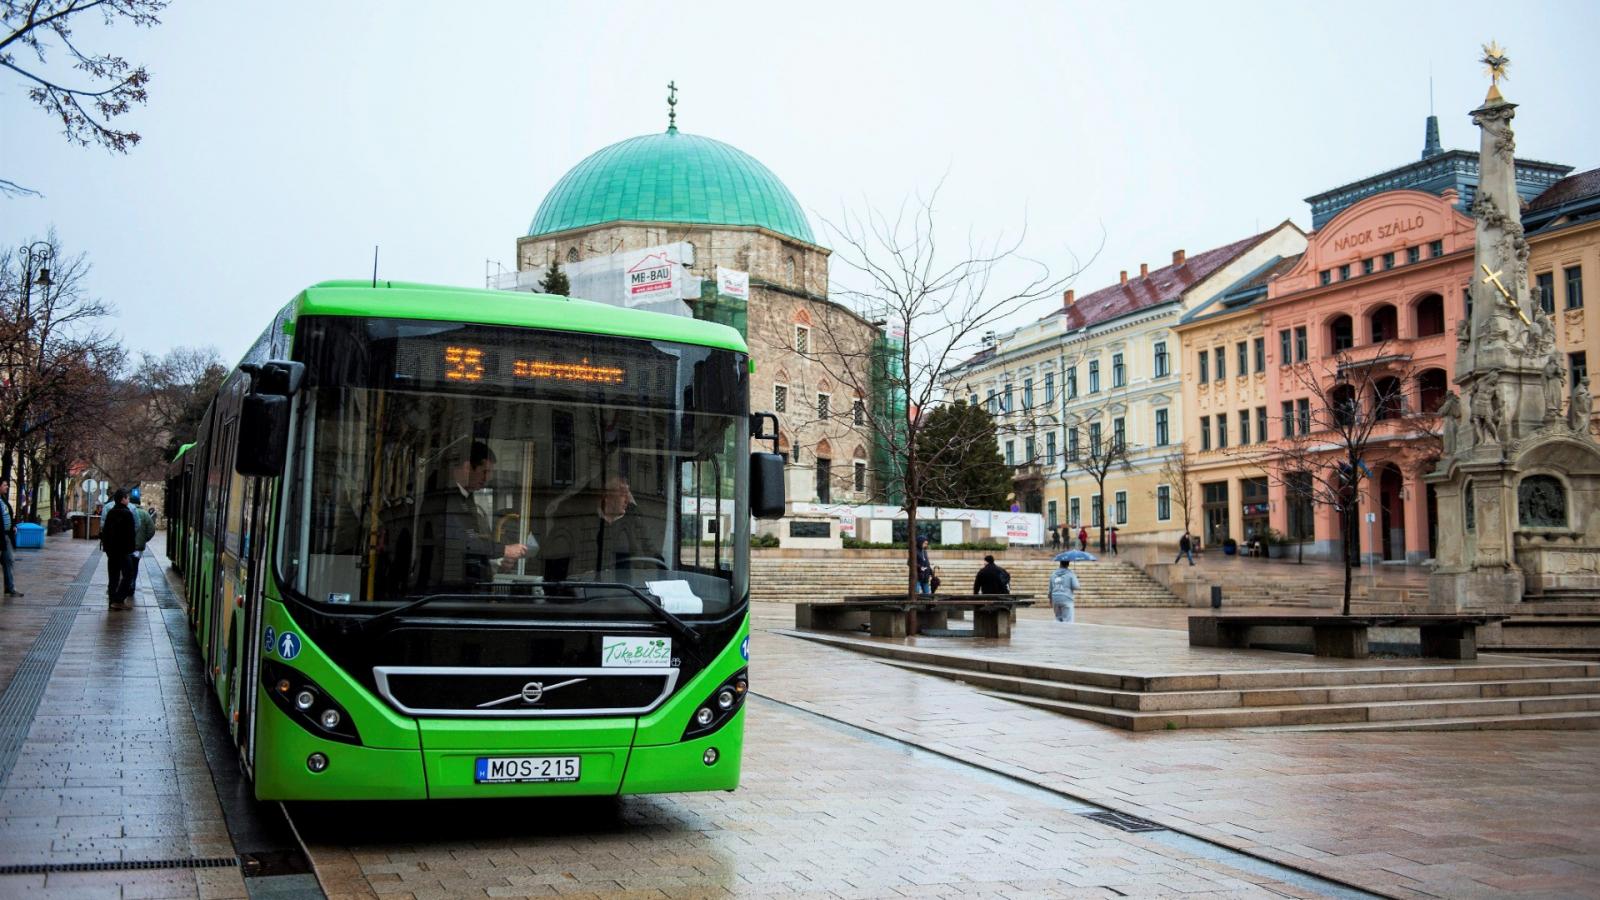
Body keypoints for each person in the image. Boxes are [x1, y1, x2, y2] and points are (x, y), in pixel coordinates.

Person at [418, 442, 528, 590]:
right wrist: (504, 550)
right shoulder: (444, 496)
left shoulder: (465, 497)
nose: (487, 478)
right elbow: (463, 540)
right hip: (446, 591)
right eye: (484, 472)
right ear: (467, 467)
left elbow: (474, 540)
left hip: (463, 587)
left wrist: (497, 561)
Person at [539, 473, 649, 585]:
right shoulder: (574, 526)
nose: (628, 499)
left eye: (628, 493)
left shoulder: (632, 526)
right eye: (622, 493)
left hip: (629, 597)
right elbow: (555, 577)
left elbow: (650, 561)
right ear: (605, 496)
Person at [102, 489, 138, 610]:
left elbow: (105, 532)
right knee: (129, 574)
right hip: (123, 551)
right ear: (123, 499)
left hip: (111, 551)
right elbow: (131, 534)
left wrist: (107, 548)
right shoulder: (127, 514)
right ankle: (119, 599)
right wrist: (131, 549)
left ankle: (112, 600)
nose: (128, 500)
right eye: (127, 498)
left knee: (113, 576)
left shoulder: (111, 513)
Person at [122, 488, 157, 606]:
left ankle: (124, 586)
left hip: (125, 545)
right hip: (138, 547)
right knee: (134, 566)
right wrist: (144, 539)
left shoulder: (126, 511)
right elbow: (152, 530)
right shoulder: (144, 514)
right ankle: (132, 585)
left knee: (125, 566)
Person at [0, 478, 19, 598]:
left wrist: (12, 526)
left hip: (6, 535)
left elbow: (7, 515)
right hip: (2, 535)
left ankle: (10, 588)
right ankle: (10, 588)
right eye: (5, 485)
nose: (7, 487)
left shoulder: (2, 499)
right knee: (8, 561)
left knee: (8, 561)